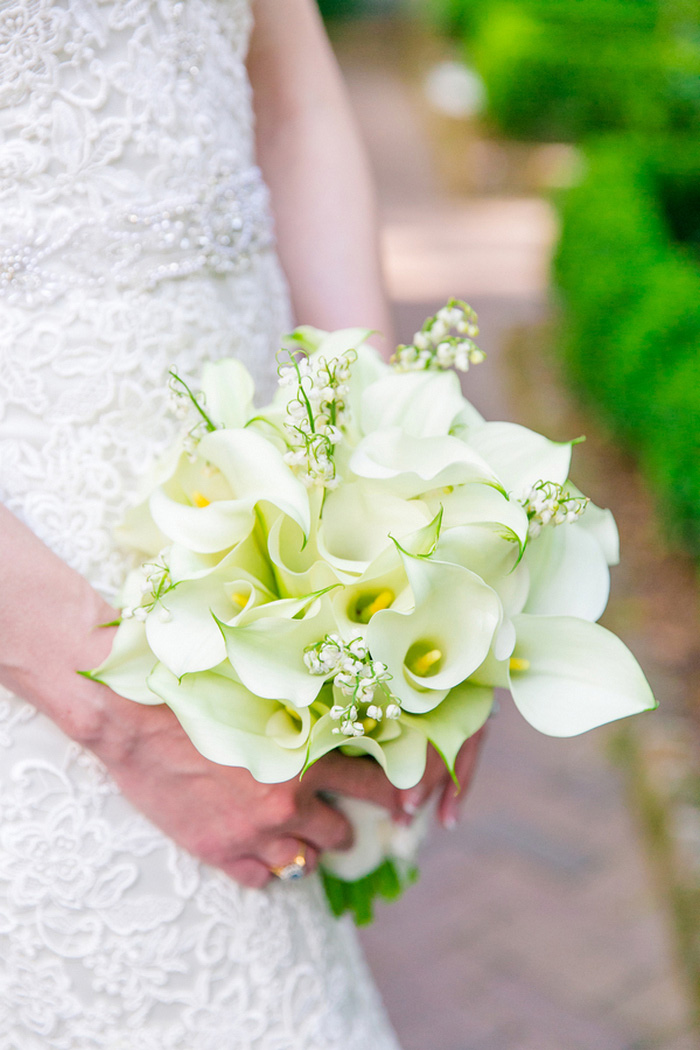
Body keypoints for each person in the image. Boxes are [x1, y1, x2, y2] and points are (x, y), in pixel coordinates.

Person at [0, 1, 483, 1045]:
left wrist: (395, 503)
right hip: (38, 648)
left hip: (248, 556)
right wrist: (123, 717)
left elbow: (296, 102)